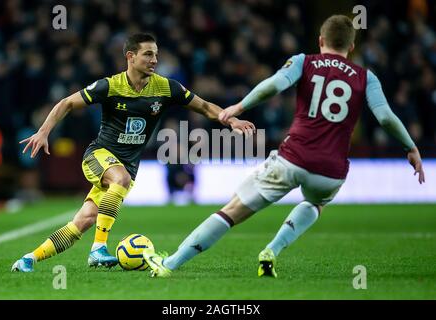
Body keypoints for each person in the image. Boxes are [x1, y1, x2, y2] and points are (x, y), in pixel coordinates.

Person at [143, 15, 425, 278]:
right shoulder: (366, 77)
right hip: (331, 171)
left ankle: (169, 264)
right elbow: (386, 117)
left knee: (231, 212)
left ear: (320, 40)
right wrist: (410, 147)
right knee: (316, 202)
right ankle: (272, 250)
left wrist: (239, 106)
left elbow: (274, 85)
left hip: (293, 158)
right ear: (352, 46)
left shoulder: (305, 61)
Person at [11, 33, 255, 272]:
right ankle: (98, 249)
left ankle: (29, 259)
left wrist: (230, 120)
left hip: (128, 166)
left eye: (156, 55)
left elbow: (203, 106)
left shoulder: (166, 87)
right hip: (98, 156)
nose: (154, 60)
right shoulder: (110, 86)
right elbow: (66, 103)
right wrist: (43, 132)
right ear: (130, 56)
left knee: (84, 221)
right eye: (148, 54)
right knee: (120, 179)